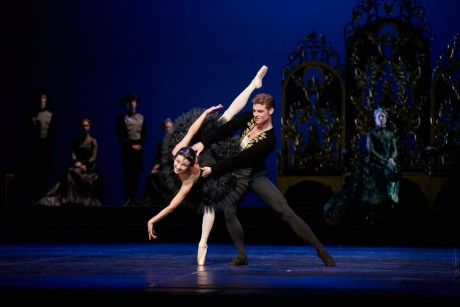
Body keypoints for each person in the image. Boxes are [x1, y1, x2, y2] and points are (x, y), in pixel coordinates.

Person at [192, 86, 336, 267]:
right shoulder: (248, 119)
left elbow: (242, 158)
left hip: (254, 175)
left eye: (260, 111)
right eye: (254, 110)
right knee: (229, 211)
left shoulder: (270, 140)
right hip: (236, 175)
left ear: (271, 111)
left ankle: (321, 251)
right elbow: (225, 129)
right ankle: (242, 256)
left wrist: (214, 169)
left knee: (284, 210)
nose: (256, 114)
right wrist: (202, 143)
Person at [147, 65, 267, 266]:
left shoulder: (191, 172)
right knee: (209, 205)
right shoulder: (179, 153)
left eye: (181, 166)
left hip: (212, 156)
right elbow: (191, 132)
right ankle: (203, 243)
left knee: (227, 116)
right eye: (177, 164)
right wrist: (205, 114)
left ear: (190, 165)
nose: (176, 167)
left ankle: (253, 84)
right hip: (201, 158)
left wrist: (153, 220)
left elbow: (171, 206)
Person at [323, 107, 400, 227]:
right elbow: (371, 150)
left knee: (395, 171)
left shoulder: (390, 134)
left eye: (383, 116)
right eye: (378, 116)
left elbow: (394, 149)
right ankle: (373, 202)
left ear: (386, 119)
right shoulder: (371, 134)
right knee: (373, 173)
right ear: (375, 119)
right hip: (376, 162)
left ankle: (390, 200)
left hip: (388, 162)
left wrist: (391, 158)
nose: (381, 119)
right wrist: (384, 160)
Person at [35, 118, 102, 206]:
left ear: (90, 127)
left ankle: (81, 199)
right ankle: (70, 198)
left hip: (88, 166)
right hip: (78, 165)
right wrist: (76, 162)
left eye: (86, 125)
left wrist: (85, 164)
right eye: (83, 126)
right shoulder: (76, 141)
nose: (84, 127)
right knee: (70, 172)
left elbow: (93, 157)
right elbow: (73, 154)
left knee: (80, 174)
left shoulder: (93, 141)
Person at [22, 89, 57, 204]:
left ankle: (42, 199)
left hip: (44, 149)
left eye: (43, 98)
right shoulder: (31, 114)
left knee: (43, 175)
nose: (41, 100)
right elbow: (24, 132)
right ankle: (33, 199)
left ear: (46, 99)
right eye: (39, 98)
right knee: (33, 175)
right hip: (33, 149)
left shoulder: (51, 115)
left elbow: (53, 133)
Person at [116, 94, 147, 207]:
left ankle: (134, 196)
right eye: (130, 102)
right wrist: (131, 145)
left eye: (133, 101)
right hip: (127, 150)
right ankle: (128, 197)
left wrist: (140, 145)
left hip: (138, 150)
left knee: (136, 173)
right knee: (128, 174)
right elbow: (121, 135)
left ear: (136, 103)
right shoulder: (121, 118)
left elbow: (144, 134)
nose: (132, 103)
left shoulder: (141, 118)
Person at [142, 118, 174, 206]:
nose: (168, 129)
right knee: (152, 176)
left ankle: (168, 200)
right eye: (166, 127)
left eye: (170, 127)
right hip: (163, 166)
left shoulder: (177, 141)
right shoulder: (161, 142)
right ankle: (150, 200)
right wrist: (155, 166)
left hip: (174, 166)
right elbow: (158, 157)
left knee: (164, 175)